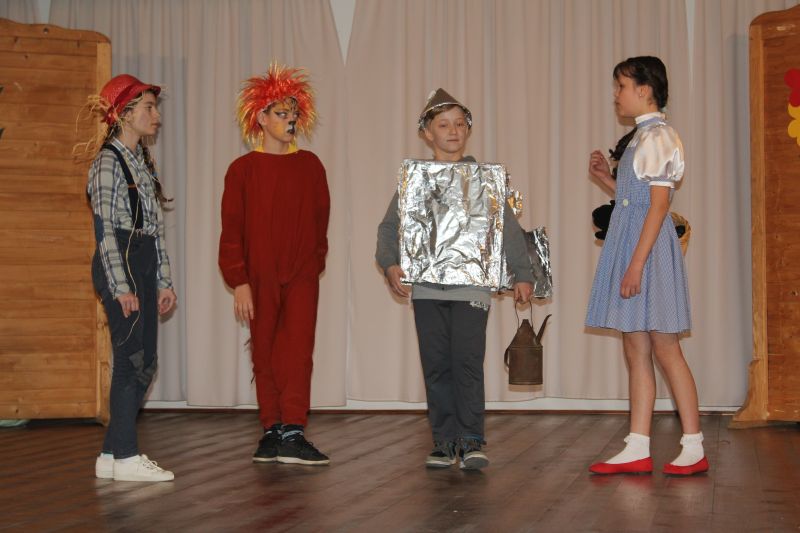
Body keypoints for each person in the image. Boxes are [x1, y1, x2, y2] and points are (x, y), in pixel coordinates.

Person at [376, 89, 534, 470]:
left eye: (459, 124)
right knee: (436, 365)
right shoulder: (415, 180)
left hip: (471, 288)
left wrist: (523, 273)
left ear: (468, 130)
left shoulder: (484, 180)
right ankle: (445, 441)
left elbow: (508, 228)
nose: (453, 131)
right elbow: (389, 227)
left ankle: (472, 439)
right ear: (427, 133)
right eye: (444, 125)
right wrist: (390, 263)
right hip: (427, 291)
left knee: (466, 362)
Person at [585, 56, 708, 476]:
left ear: (644, 89)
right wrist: (606, 179)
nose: (616, 95)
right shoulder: (641, 136)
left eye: (621, 86)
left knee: (665, 347)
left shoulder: (658, 136)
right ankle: (637, 445)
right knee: (635, 346)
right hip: (633, 243)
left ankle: (693, 444)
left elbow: (658, 206)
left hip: (647, 249)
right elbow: (633, 199)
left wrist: (636, 264)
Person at [218, 64, 331, 466]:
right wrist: (240, 280)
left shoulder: (311, 166)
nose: (289, 120)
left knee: (297, 350)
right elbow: (232, 230)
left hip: (301, 274)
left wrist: (311, 264)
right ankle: (272, 427)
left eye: (293, 113)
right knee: (263, 350)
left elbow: (320, 222)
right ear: (261, 118)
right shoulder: (242, 170)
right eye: (281, 113)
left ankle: (294, 430)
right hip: (258, 276)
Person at [86, 74, 177, 482]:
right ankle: (126, 456)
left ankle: (110, 453)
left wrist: (163, 280)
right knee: (131, 359)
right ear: (124, 113)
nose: (156, 116)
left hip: (141, 261)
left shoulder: (141, 162)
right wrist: (120, 286)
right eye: (148, 108)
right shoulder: (108, 162)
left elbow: (153, 231)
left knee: (146, 361)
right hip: (119, 262)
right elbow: (105, 231)